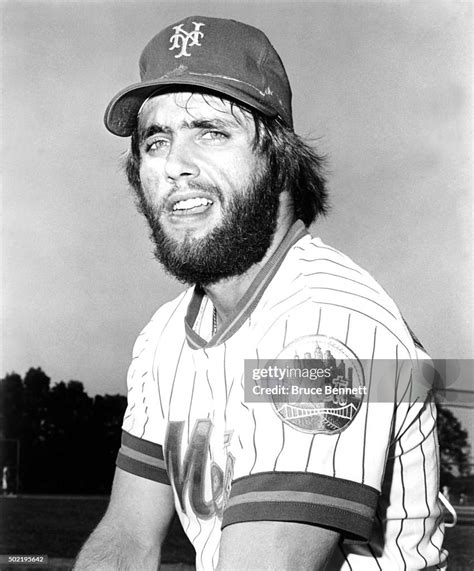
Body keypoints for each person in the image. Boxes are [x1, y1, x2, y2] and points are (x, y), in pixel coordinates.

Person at [75, 15, 447, 570]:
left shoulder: (326, 329)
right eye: (156, 141)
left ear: (278, 161)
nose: (176, 165)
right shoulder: (163, 338)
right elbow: (126, 539)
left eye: (211, 132)